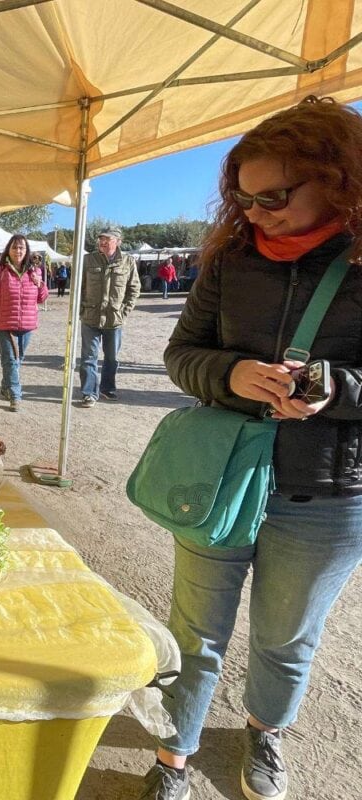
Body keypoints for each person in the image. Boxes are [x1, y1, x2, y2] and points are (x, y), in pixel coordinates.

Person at [137, 95, 362, 800]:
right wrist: (231, 376)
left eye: (274, 198)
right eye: (244, 198)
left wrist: (338, 389)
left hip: (326, 493)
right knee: (194, 631)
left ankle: (265, 733)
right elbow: (183, 355)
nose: (257, 214)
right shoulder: (233, 259)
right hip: (218, 477)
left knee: (286, 637)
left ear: (338, 176)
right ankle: (173, 755)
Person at [0, 234, 48, 412]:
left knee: (17, 360)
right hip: (3, 324)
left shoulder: (35, 272)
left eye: (22, 248)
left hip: (27, 324)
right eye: (15, 247)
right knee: (10, 360)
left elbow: (42, 298)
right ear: (8, 250)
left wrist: (40, 285)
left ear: (27, 250)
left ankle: (5, 386)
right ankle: (15, 395)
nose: (18, 251)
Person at [78, 226, 140, 406]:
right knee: (89, 357)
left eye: (107, 239)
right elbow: (79, 287)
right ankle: (89, 392)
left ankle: (107, 388)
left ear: (118, 242)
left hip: (114, 319)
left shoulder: (127, 262)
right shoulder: (88, 260)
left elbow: (134, 289)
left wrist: (124, 311)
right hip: (90, 317)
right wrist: (82, 309)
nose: (103, 242)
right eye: (101, 239)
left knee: (112, 358)